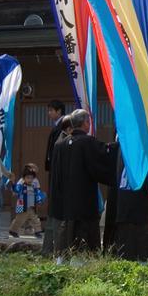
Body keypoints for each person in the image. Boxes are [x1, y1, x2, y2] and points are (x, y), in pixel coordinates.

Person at [50, 109, 114, 257]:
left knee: (66, 232)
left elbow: (55, 175)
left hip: (65, 201)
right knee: (84, 232)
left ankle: (62, 259)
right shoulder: (88, 142)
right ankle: (83, 261)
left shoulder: (60, 145)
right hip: (84, 200)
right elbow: (102, 162)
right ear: (86, 123)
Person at [40, 115, 70, 254]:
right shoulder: (63, 141)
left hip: (54, 184)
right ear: (69, 128)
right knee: (57, 223)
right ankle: (57, 252)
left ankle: (47, 250)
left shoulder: (58, 138)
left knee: (52, 221)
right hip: (59, 187)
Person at [9, 163, 45, 237]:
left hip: (31, 207)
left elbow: (38, 194)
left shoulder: (34, 186)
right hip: (22, 206)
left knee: (36, 220)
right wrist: (13, 183)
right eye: (28, 178)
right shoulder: (21, 186)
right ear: (24, 178)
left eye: (31, 178)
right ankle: (13, 231)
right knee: (19, 220)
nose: (30, 180)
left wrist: (40, 199)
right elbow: (15, 189)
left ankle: (38, 232)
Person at [43, 101, 66, 175]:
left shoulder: (64, 124)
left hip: (59, 163)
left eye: (51, 110)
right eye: (48, 110)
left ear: (59, 111)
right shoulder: (57, 125)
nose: (49, 113)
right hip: (54, 163)